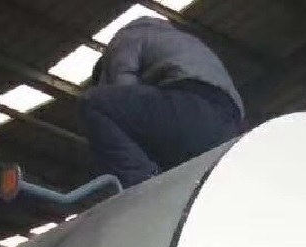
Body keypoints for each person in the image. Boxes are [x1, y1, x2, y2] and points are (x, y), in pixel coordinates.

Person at [81, 17, 244, 189]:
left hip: (190, 109)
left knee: (94, 102)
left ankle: (141, 184)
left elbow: (123, 88)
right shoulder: (177, 39)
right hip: (229, 127)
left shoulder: (124, 40)